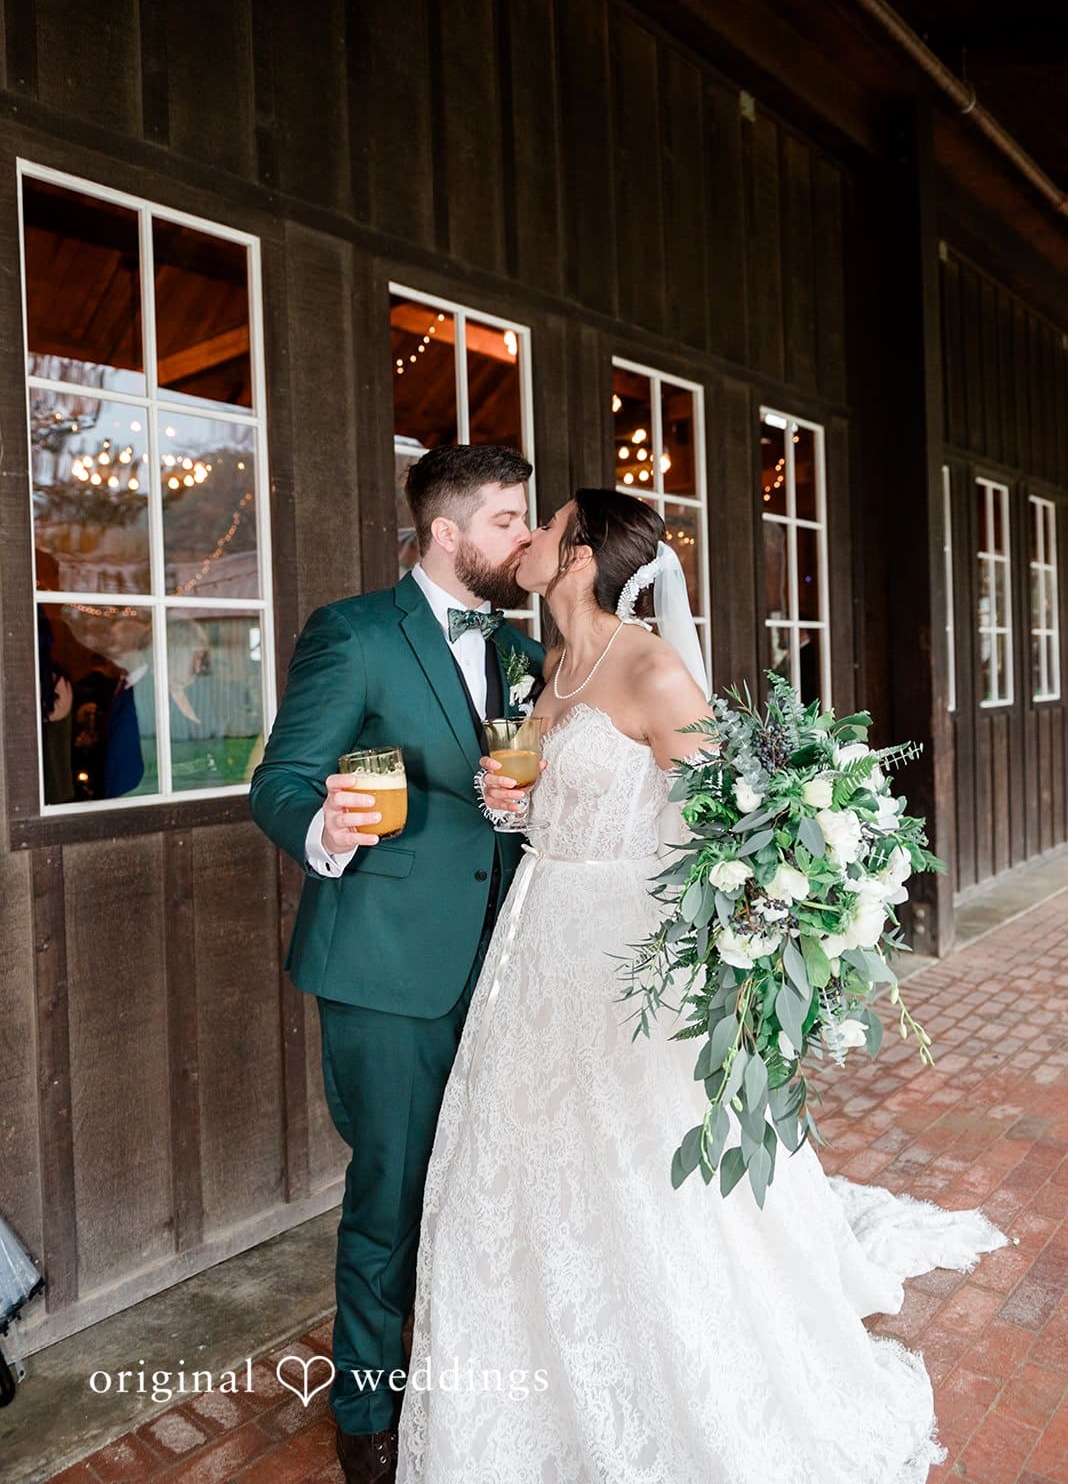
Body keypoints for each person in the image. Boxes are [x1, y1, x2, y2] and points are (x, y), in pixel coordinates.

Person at [396, 488, 1005, 1484]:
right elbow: (550, 814)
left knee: (635, 1167)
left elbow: (719, 830)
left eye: (547, 525)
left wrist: (723, 969)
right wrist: (510, 803)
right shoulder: (551, 667)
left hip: (627, 953)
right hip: (536, 942)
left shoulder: (651, 665)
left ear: (582, 553)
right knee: (531, 1162)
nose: (533, 538)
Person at [250, 445, 544, 1483]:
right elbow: (281, 780)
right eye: (508, 519)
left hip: (505, 963)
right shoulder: (356, 632)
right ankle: (367, 1413)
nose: (526, 537)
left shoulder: (517, 652)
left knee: (481, 1183)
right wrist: (326, 830)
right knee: (392, 1191)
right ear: (449, 533)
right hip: (386, 967)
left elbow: (518, 795)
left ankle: (472, 1377)